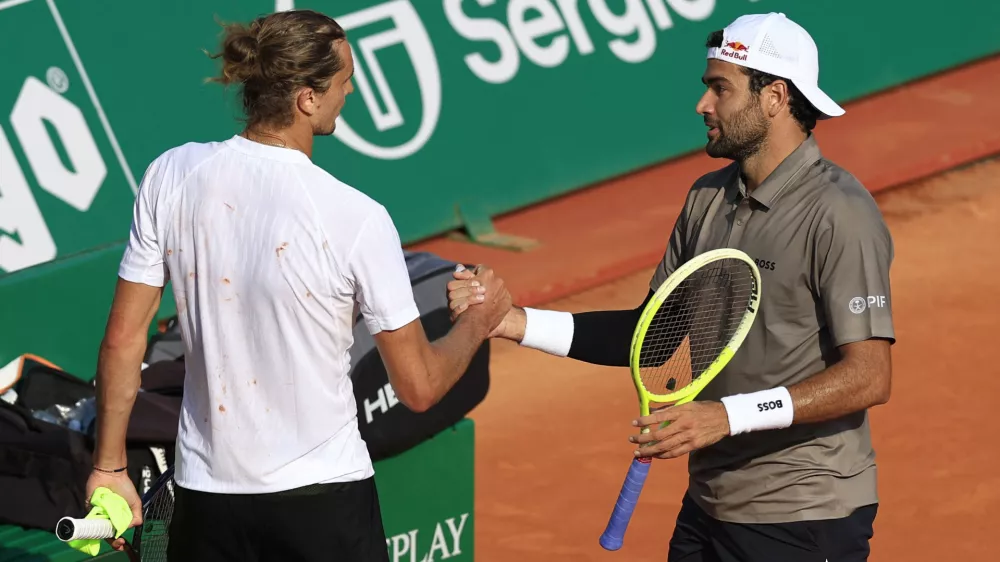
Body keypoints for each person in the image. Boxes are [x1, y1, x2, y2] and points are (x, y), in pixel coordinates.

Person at [448, 12, 893, 562]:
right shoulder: (707, 199)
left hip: (805, 515)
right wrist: (512, 322)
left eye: (719, 88)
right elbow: (652, 333)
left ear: (775, 96)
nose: (702, 104)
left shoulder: (839, 214)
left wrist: (726, 417)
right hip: (710, 505)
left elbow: (869, 376)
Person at [87, 9, 510, 562]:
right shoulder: (357, 217)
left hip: (207, 502)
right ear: (306, 99)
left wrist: (109, 465)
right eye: (343, 80)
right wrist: (479, 321)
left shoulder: (170, 175)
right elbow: (419, 388)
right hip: (324, 506)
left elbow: (124, 338)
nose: (350, 90)